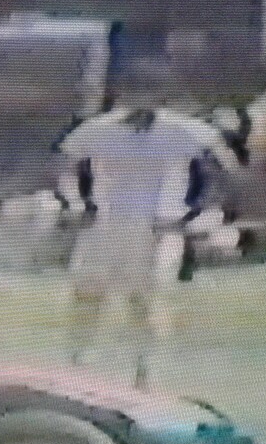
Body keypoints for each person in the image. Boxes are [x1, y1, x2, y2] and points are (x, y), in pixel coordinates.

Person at [57, 107, 240, 389]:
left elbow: (224, 170)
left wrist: (194, 214)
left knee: (142, 302)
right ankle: (75, 366)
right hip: (105, 224)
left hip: (155, 229)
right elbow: (67, 168)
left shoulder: (182, 130)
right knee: (87, 295)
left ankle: (143, 375)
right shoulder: (99, 129)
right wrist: (76, 203)